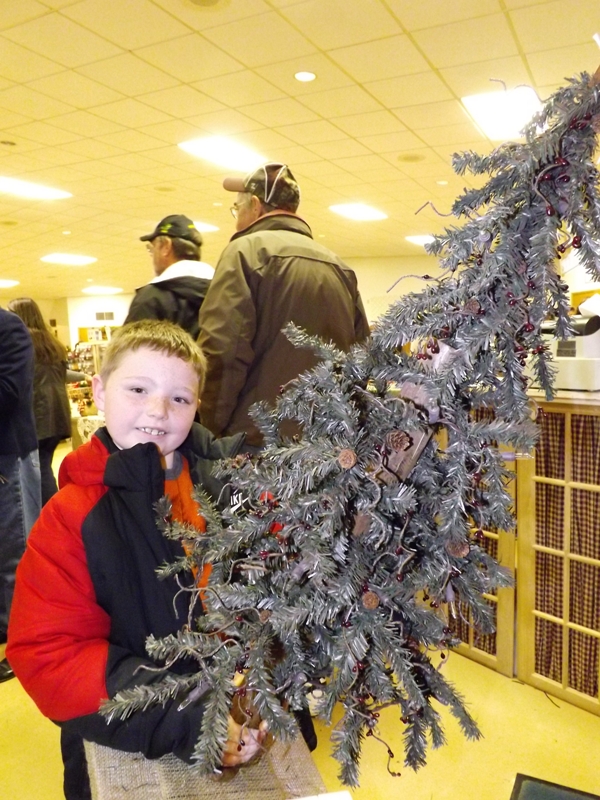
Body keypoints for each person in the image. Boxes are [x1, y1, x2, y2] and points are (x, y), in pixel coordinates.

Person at [6, 320, 266, 800]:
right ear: (100, 392)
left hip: (236, 717)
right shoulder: (71, 517)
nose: (158, 410)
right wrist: (185, 715)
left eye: (179, 398)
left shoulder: (228, 489)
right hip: (128, 738)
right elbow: (49, 653)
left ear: (197, 406)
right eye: (138, 389)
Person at [198, 162, 370, 447]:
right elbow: (360, 359)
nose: (236, 219)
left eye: (237, 208)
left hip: (256, 443)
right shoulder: (339, 268)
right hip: (327, 445)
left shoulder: (244, 254)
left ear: (255, 206)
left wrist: (210, 432)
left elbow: (223, 353)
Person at [7, 297, 88, 506]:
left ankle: (51, 511)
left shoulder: (21, 342)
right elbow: (62, 373)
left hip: (37, 414)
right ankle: (54, 509)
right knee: (44, 465)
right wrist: (85, 376)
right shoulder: (52, 343)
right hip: (58, 412)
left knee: (37, 470)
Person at [0, 306, 41, 683]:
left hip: (8, 456)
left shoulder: (9, 328)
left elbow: (8, 392)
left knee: (15, 554)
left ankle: (22, 643)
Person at [125, 214, 214, 338]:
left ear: (166, 246)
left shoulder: (151, 298)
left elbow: (133, 347)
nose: (152, 255)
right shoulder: (224, 292)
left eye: (152, 248)